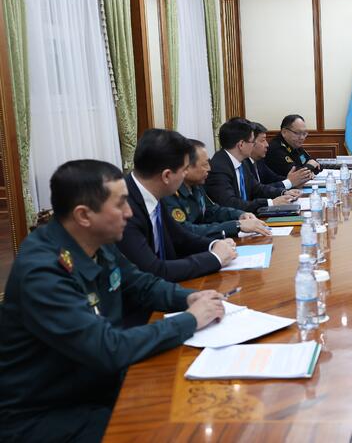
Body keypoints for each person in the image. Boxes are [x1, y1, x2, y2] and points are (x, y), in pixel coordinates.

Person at [0, 160, 226, 443]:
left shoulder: (95, 240)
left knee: (200, 403)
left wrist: (189, 297)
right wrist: (190, 319)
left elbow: (141, 284)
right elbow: (107, 348)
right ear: (84, 215)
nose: (129, 212)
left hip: (97, 385)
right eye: (120, 204)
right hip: (45, 414)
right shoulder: (43, 273)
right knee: (170, 429)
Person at [117, 129, 237, 285]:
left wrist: (213, 245)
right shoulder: (124, 209)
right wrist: (215, 258)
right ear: (167, 176)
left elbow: (180, 237)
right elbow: (153, 270)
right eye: (185, 169)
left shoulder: (151, 190)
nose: (186, 174)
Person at [163, 139, 272, 240]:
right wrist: (236, 226)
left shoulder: (196, 185)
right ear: (186, 168)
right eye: (205, 164)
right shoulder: (169, 193)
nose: (209, 168)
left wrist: (240, 215)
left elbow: (212, 210)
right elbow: (186, 230)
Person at [205, 119, 296, 213]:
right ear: (241, 144)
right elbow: (230, 203)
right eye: (253, 142)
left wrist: (283, 192)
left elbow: (257, 188)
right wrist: (270, 203)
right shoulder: (219, 167)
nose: (253, 145)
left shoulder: (242, 162)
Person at [247, 121, 312, 189]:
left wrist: (292, 181)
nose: (267, 145)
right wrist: (290, 182)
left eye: (304, 133)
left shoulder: (259, 161)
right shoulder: (245, 165)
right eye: (262, 140)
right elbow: (258, 190)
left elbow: (273, 178)